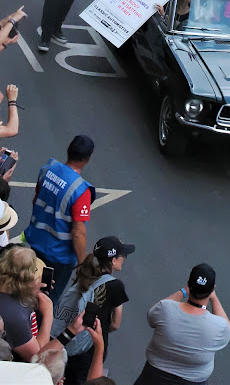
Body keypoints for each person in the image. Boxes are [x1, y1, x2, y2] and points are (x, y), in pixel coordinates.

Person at [24, 135, 96, 308]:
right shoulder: (81, 190)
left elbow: (36, 200)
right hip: (58, 258)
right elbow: (78, 232)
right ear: (87, 159)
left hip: (36, 243)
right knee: (46, 301)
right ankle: (35, 331)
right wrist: (82, 263)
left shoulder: (48, 169)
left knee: (29, 288)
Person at [51, 236, 133, 385]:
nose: (125, 258)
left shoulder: (84, 273)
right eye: (123, 255)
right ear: (113, 260)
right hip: (88, 351)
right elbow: (115, 324)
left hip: (69, 340)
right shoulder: (115, 286)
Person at [133, 263, 230, 385]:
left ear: (189, 284)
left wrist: (183, 291)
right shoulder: (219, 326)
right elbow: (228, 329)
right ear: (212, 289)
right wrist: (214, 298)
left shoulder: (165, 309)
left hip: (152, 378)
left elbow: (151, 316)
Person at [0, 246, 54, 361]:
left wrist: (33, 292)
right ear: (28, 278)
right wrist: (48, 314)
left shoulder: (13, 292)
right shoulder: (15, 316)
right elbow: (37, 357)